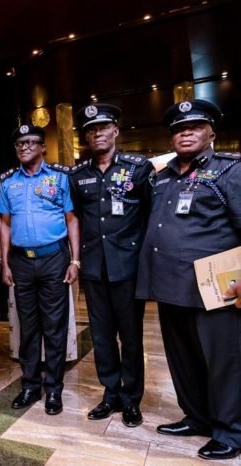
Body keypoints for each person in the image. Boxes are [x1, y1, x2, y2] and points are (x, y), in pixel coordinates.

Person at [136, 99, 241, 460]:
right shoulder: (162, 176)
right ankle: (196, 417)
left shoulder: (229, 170)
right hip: (170, 283)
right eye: (179, 129)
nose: (186, 133)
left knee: (224, 360)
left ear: (212, 132)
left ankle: (231, 431)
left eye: (195, 127)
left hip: (216, 288)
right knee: (182, 358)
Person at [69, 104, 152, 427]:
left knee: (130, 337)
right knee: (102, 337)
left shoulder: (137, 169)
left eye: (103, 127)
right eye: (91, 130)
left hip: (127, 267)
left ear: (115, 130)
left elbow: (150, 215)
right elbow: (76, 217)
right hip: (94, 267)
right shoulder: (79, 175)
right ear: (86, 137)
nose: (98, 134)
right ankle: (111, 393)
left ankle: (131, 399)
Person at [0, 124, 80, 416]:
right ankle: (31, 386)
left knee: (54, 327)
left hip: (53, 258)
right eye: (20, 143)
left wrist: (75, 260)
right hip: (21, 261)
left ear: (43, 147)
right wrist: (5, 261)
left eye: (32, 142)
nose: (25, 147)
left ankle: (53, 390)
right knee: (28, 328)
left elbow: (71, 220)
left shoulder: (59, 178)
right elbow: (4, 224)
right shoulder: (8, 182)